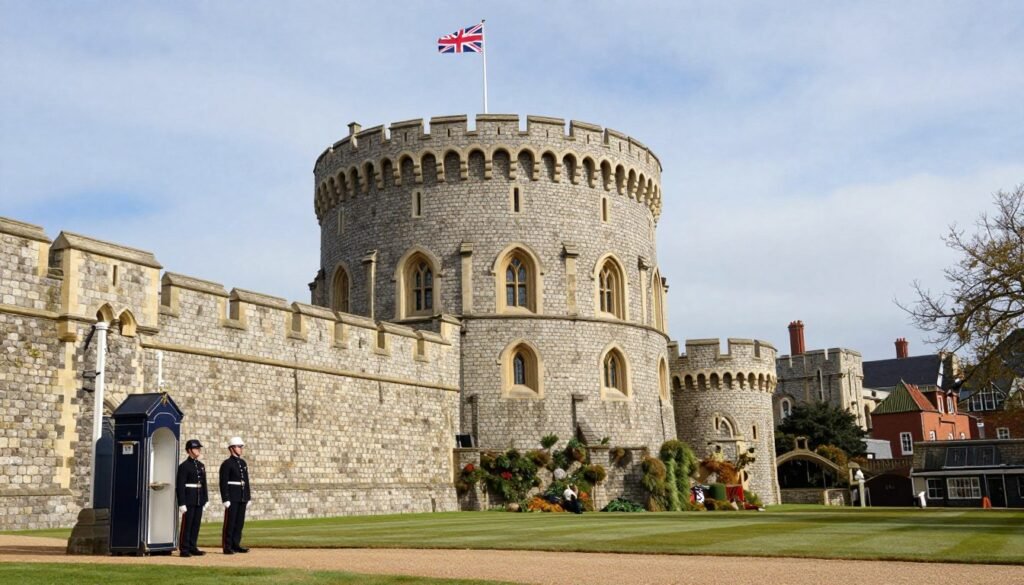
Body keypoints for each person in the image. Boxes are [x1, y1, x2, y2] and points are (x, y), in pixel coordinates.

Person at [175, 439, 208, 557]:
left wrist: (205, 499)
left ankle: (193, 546)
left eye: (199, 448)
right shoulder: (184, 466)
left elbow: (204, 484)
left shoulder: (201, 465)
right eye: (195, 448)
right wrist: (181, 503)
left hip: (198, 498)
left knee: (196, 524)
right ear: (189, 450)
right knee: (187, 524)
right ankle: (184, 548)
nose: (198, 450)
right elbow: (180, 485)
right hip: (189, 498)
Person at [219, 436, 251, 554]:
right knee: (230, 522)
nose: (241, 449)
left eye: (241, 447)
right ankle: (227, 546)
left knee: (239, 522)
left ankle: (236, 544)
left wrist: (248, 497)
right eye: (239, 447)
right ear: (232, 448)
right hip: (232, 497)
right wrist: (225, 498)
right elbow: (223, 482)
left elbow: (246, 481)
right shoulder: (227, 464)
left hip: (242, 496)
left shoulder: (243, 463)